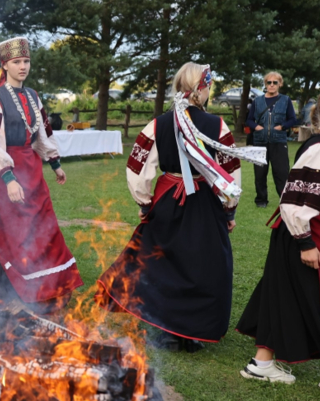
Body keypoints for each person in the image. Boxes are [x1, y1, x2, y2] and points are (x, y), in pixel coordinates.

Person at [95, 62, 266, 352]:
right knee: (205, 265)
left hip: (167, 202)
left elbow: (138, 167)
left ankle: (169, 328)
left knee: (163, 262)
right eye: (209, 86)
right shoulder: (218, 125)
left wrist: (145, 203)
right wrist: (230, 210)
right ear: (203, 87)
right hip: (206, 205)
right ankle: (192, 332)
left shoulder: (157, 124)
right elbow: (230, 173)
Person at [236, 85, 320, 395]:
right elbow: (295, 202)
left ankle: (262, 363)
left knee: (286, 292)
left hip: (303, 231)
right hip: (304, 232)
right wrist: (306, 243)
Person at [0, 37, 83, 315]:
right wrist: (9, 179)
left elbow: (43, 133)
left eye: (26, 61)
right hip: (5, 174)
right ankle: (7, 293)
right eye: (16, 62)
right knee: (12, 233)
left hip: (32, 170)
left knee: (41, 230)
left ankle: (44, 290)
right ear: (5, 65)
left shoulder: (34, 96)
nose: (23, 66)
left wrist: (55, 163)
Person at [247, 71, 298, 208]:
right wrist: (257, 127)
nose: (271, 85)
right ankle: (261, 200)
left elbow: (293, 119)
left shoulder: (286, 100)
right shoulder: (257, 101)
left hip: (279, 142)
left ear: (280, 84)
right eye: (269, 82)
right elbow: (249, 120)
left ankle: (285, 199)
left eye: (275, 82)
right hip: (260, 142)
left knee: (281, 173)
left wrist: (282, 127)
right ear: (265, 84)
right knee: (260, 174)